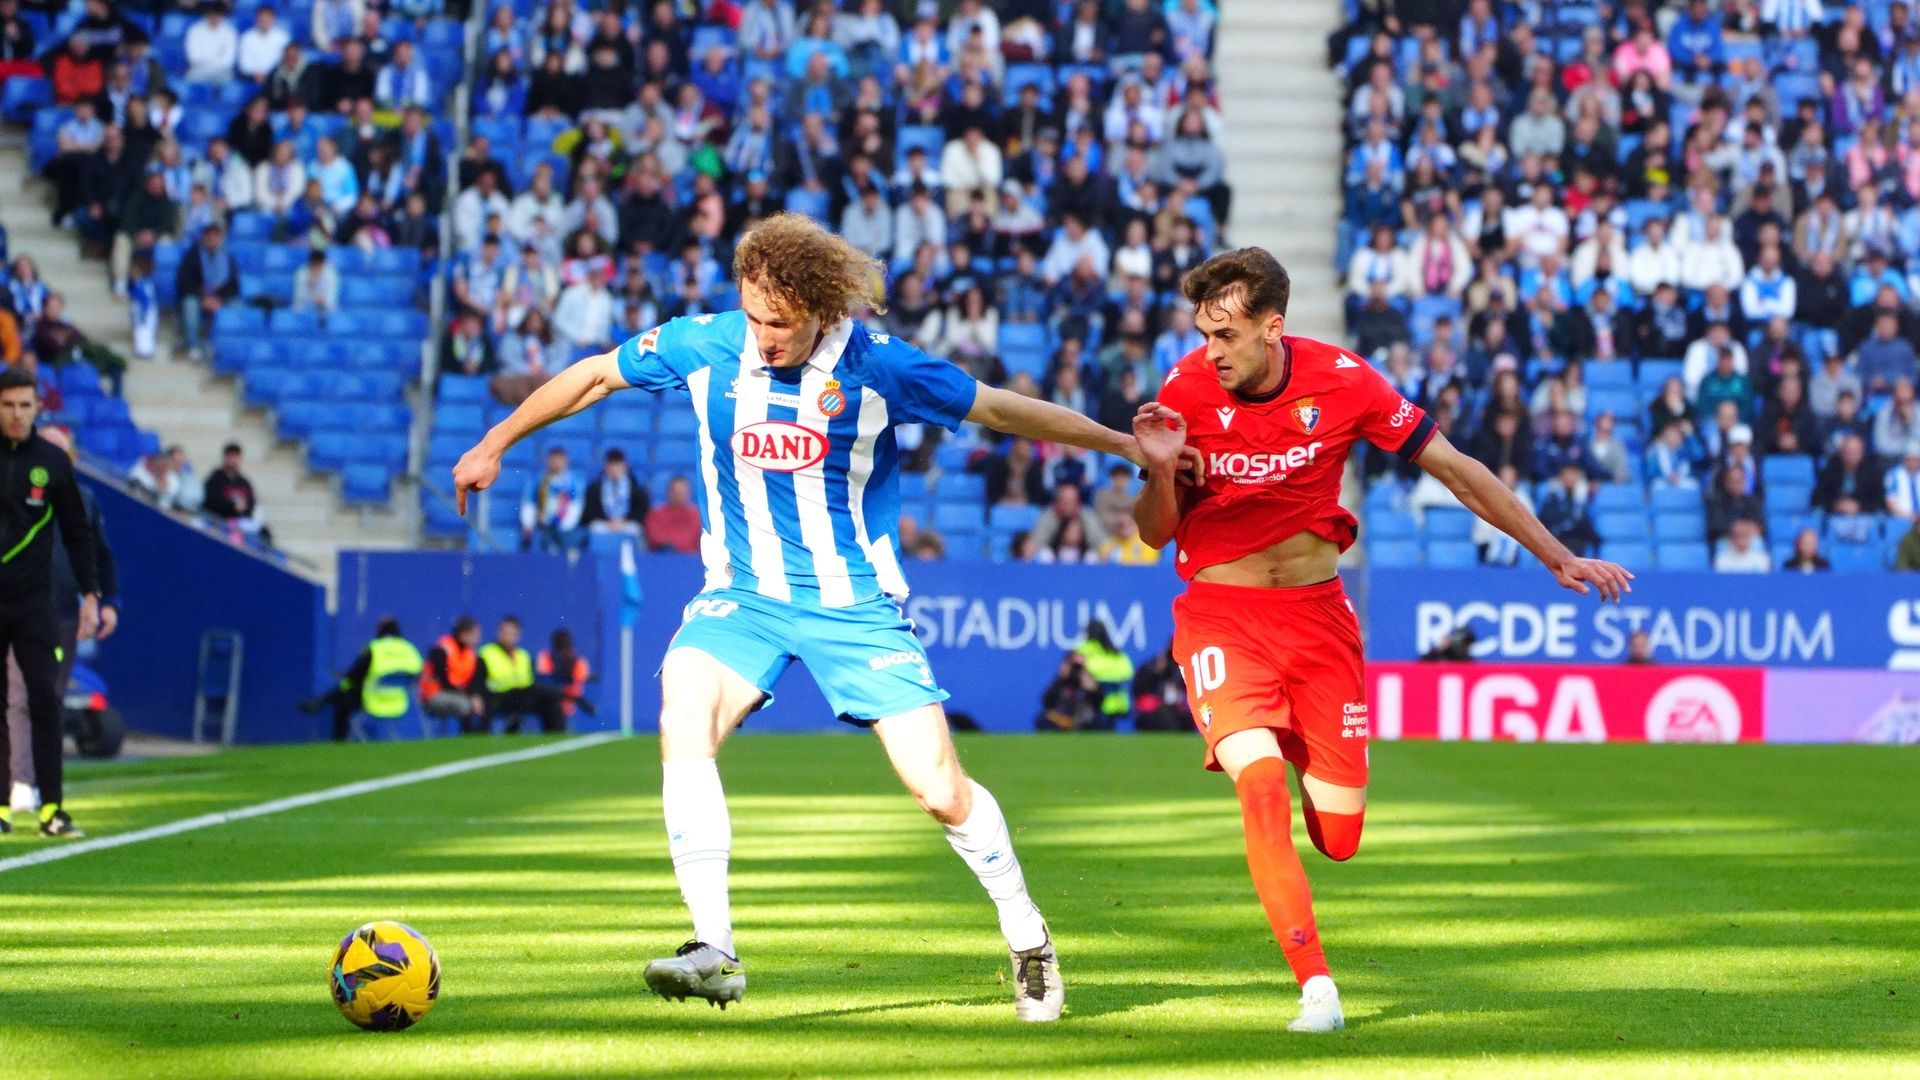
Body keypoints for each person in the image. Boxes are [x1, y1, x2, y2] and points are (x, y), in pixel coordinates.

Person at [450, 213, 1189, 1020]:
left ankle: (1027, 935)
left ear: (822, 312)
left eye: (781, 322)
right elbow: (594, 376)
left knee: (940, 791)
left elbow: (1005, 412)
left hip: (854, 606)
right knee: (683, 712)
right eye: (754, 314)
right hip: (743, 596)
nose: (763, 336)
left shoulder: (879, 369)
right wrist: (496, 441)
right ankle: (714, 947)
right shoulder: (708, 343)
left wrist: (1124, 447)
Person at [1131, 247, 1629, 1033]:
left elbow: (1457, 470)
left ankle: (1294, 746)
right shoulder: (1186, 389)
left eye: (1225, 334)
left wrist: (1556, 555)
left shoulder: (1345, 381)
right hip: (1222, 616)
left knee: (1339, 838)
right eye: (1203, 331)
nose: (1210, 350)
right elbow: (1155, 534)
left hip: (1318, 621)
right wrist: (1159, 474)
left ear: (1273, 326)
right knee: (1257, 787)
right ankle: (1316, 988)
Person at [0, 369, 100, 837]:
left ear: (37, 408)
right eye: (8, 405)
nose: (17, 415)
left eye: (24, 405)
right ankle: (0, 808)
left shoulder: (53, 463)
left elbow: (80, 534)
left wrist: (92, 596)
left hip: (34, 604)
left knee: (45, 699)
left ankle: (51, 809)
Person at [4, 426, 116, 814]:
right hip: (23, 607)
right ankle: (20, 781)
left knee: (49, 697)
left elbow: (98, 553)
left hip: (65, 615)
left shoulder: (83, 500)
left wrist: (104, 600)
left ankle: (33, 780)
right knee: (18, 697)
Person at [299, 616, 422, 741]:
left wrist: (344, 678)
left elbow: (355, 674)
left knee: (342, 692)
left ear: (379, 630)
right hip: (400, 701)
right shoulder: (409, 649)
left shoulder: (374, 648)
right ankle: (320, 702)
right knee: (343, 689)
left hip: (374, 699)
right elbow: (418, 675)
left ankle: (337, 739)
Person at [478, 615, 565, 734]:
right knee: (535, 694)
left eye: (511, 633)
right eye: (504, 632)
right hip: (498, 697)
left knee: (550, 698)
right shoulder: (487, 653)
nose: (507, 636)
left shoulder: (523, 655)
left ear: (518, 635)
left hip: (522, 696)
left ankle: (555, 737)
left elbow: (528, 681)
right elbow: (480, 681)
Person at [420, 616, 484, 731]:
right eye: (474, 634)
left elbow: (470, 681)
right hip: (434, 694)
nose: (477, 639)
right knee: (465, 705)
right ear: (464, 634)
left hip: (455, 693)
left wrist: (475, 697)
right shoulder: (442, 649)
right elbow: (444, 681)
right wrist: (470, 697)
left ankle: (480, 734)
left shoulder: (470, 654)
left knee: (480, 700)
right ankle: (468, 737)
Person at [1073, 621, 1134, 730]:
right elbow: (1127, 672)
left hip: (1101, 704)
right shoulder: (1117, 654)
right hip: (1113, 703)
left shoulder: (1083, 651)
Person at [202, 442, 268, 542]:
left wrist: (243, 509)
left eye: (236, 456)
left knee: (264, 532)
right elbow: (212, 502)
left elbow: (251, 504)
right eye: (230, 456)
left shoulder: (244, 482)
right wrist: (232, 506)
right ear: (225, 457)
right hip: (220, 520)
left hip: (241, 522)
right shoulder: (214, 480)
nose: (233, 460)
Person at [581, 448, 646, 536]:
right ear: (606, 467)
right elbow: (590, 510)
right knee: (595, 527)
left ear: (625, 467)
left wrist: (623, 521)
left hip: (626, 523)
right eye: (612, 466)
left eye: (618, 466)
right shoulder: (595, 488)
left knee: (634, 528)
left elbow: (641, 510)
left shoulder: (635, 488)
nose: (615, 469)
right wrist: (608, 521)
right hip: (605, 523)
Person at [536, 627, 592, 720]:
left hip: (570, 708)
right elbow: (543, 682)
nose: (563, 654)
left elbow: (577, 688)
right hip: (547, 704)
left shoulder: (579, 663)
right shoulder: (545, 657)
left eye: (566, 649)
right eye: (560, 649)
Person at [1129, 646, 1189, 731]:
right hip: (1151, 710)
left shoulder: (1174, 671)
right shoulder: (1148, 669)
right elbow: (1138, 691)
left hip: (1173, 708)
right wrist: (1156, 672)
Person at [645, 474, 702, 553]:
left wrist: (675, 544)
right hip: (662, 557)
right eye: (676, 492)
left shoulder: (696, 514)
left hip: (689, 559)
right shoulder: (656, 514)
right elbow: (654, 537)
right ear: (669, 492)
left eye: (683, 492)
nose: (680, 496)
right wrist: (670, 545)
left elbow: (692, 538)